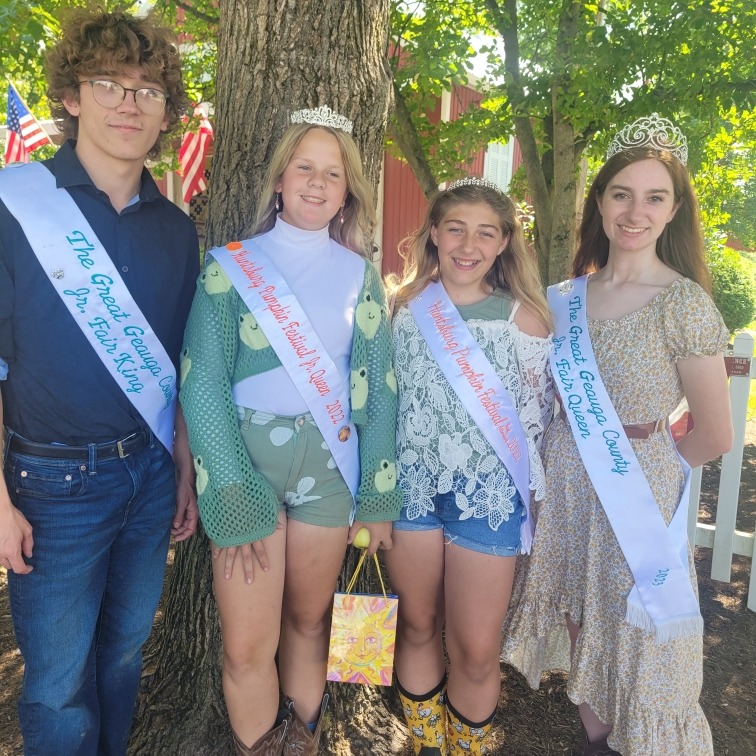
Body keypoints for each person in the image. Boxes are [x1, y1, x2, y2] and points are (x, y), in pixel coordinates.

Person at [0, 9, 200, 756]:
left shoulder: (176, 231)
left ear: (165, 114)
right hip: (48, 483)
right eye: (110, 83)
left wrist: (180, 470)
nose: (129, 102)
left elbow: (177, 370)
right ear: (73, 96)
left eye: (148, 91)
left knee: (120, 659)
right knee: (54, 686)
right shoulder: (13, 205)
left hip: (147, 478)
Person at [501, 114, 733, 756]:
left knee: (645, 640)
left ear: (674, 209)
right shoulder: (561, 298)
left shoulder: (685, 303)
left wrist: (645, 475)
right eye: (621, 194)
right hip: (570, 492)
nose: (635, 211)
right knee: (587, 630)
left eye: (654, 196)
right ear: (599, 202)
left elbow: (715, 433)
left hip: (639, 495)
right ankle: (597, 742)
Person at [180, 106, 400, 756]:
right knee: (249, 647)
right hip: (244, 466)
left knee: (309, 625)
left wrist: (378, 500)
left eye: (332, 172)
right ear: (279, 179)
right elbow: (201, 380)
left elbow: (379, 393)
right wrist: (230, 490)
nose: (316, 181)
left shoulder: (361, 276)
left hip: (331, 471)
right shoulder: (228, 267)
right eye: (304, 166)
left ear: (347, 189)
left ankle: (300, 745)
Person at [384, 178, 553, 755]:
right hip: (410, 491)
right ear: (433, 233)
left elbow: (538, 419)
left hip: (488, 497)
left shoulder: (525, 321)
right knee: (415, 625)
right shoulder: (402, 309)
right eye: (455, 228)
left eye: (486, 232)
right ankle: (427, 745)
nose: (468, 243)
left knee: (478, 648)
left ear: (504, 243)